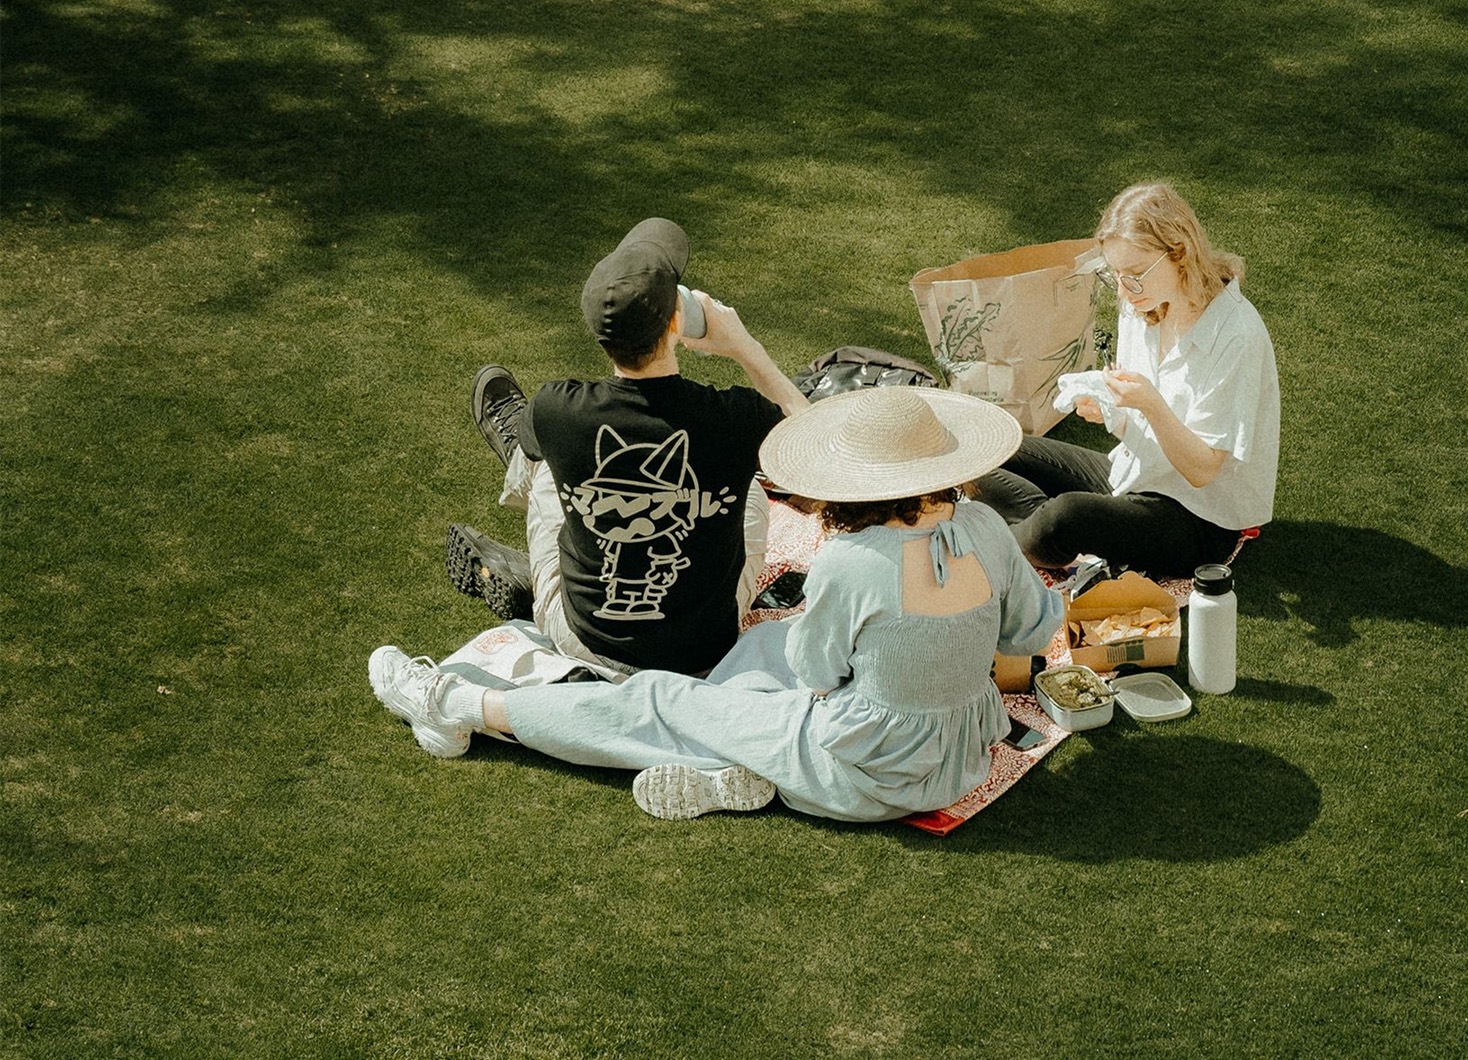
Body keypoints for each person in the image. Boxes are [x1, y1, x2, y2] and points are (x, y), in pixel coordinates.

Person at [368, 386, 1066, 822]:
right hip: (962, 755)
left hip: (867, 774)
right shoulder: (984, 529)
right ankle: (738, 759)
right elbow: (1035, 625)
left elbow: (818, 672)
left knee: (658, 702)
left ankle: (455, 706)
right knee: (760, 647)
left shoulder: (853, 562)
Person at [446, 218, 809, 679]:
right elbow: (818, 449)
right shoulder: (735, 419)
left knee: (540, 463)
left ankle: (543, 579)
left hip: (584, 639)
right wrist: (743, 345)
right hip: (705, 651)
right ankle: (541, 578)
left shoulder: (557, 409)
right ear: (678, 321)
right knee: (750, 484)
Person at [973, 182, 1280, 577]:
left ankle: (1001, 545)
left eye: (1134, 274)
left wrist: (1150, 403)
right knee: (994, 445)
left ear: (1179, 254)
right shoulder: (1142, 303)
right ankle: (1042, 531)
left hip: (1200, 519)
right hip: (1137, 476)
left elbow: (1203, 471)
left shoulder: (1236, 334)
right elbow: (1135, 426)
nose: (1122, 290)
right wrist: (1109, 409)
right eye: (1114, 274)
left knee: (1066, 516)